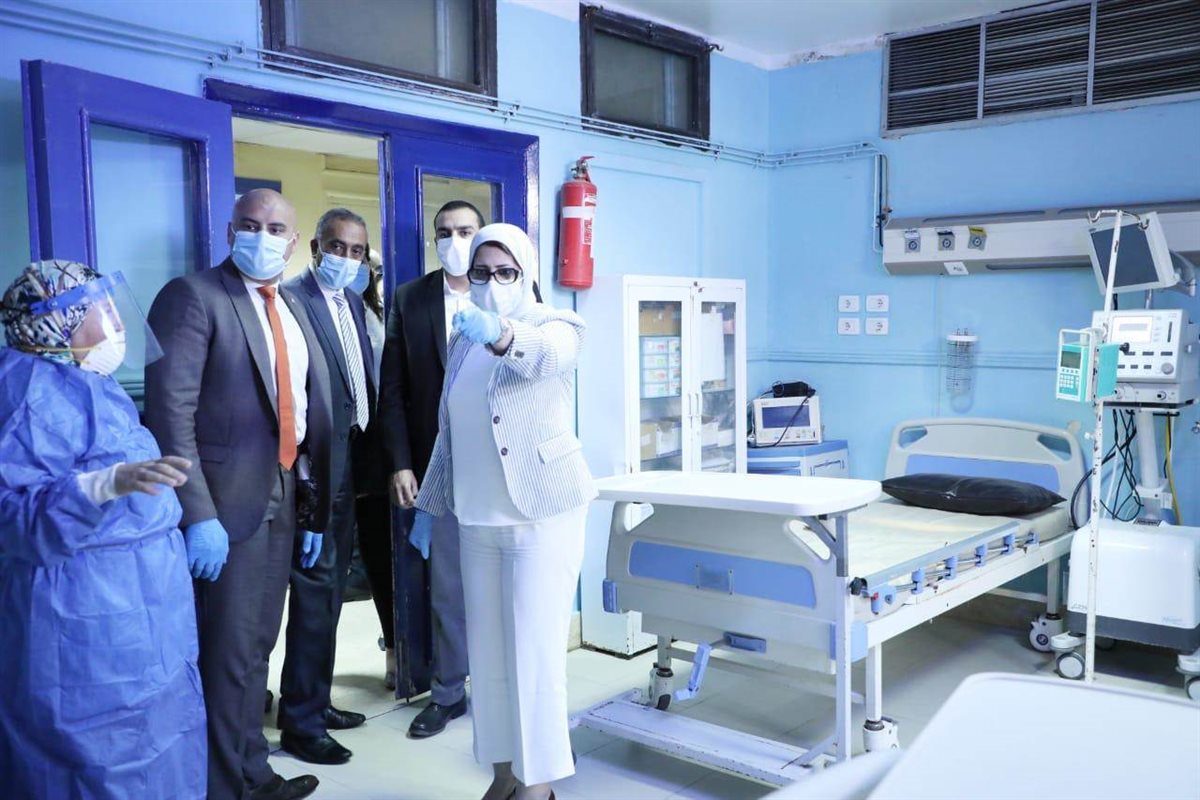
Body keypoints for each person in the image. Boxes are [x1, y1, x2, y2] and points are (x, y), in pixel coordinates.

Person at [145, 188, 333, 800]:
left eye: (276, 229)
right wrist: (198, 513)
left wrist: (308, 502)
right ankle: (223, 788)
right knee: (226, 653)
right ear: (230, 232)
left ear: (295, 241)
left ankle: (253, 773)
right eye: (250, 225)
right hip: (224, 505)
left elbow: (300, 408)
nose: (262, 237)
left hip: (283, 490)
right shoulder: (193, 297)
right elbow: (170, 414)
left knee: (257, 646)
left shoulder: (293, 306)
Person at [0, 260, 205, 799]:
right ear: (59, 322)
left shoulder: (92, 381)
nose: (116, 321)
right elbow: (13, 517)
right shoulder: (27, 394)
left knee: (163, 735)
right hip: (82, 617)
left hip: (147, 607)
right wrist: (101, 486)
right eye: (101, 309)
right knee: (95, 757)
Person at [412, 224, 596, 800]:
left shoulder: (557, 324)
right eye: (482, 272)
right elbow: (448, 432)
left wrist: (502, 334)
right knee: (488, 659)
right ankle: (502, 776)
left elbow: (545, 358)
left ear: (526, 272)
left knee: (534, 659)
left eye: (506, 271)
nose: (492, 282)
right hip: (477, 518)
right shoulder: (462, 339)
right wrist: (428, 506)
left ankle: (538, 787)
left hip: (541, 516)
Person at [378, 200, 483, 738]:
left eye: (465, 231)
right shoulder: (410, 299)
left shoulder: (509, 291)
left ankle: (504, 689)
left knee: (505, 587)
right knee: (446, 589)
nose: (454, 241)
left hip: (498, 467)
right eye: (445, 232)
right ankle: (447, 692)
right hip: (436, 466)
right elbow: (393, 390)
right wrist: (401, 463)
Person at [276, 209, 376, 765]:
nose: (346, 258)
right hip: (313, 474)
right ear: (315, 247)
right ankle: (301, 724)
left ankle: (315, 699)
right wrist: (311, 482)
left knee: (332, 596)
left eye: (357, 251)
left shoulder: (352, 302)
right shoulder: (292, 300)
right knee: (315, 597)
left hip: (349, 468)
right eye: (337, 247)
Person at [352, 249, 398, 688]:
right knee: (377, 556)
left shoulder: (384, 311)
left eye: (373, 266)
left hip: (393, 443)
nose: (366, 271)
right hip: (357, 452)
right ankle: (394, 648)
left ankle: (407, 644)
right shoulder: (315, 307)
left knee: (398, 553)